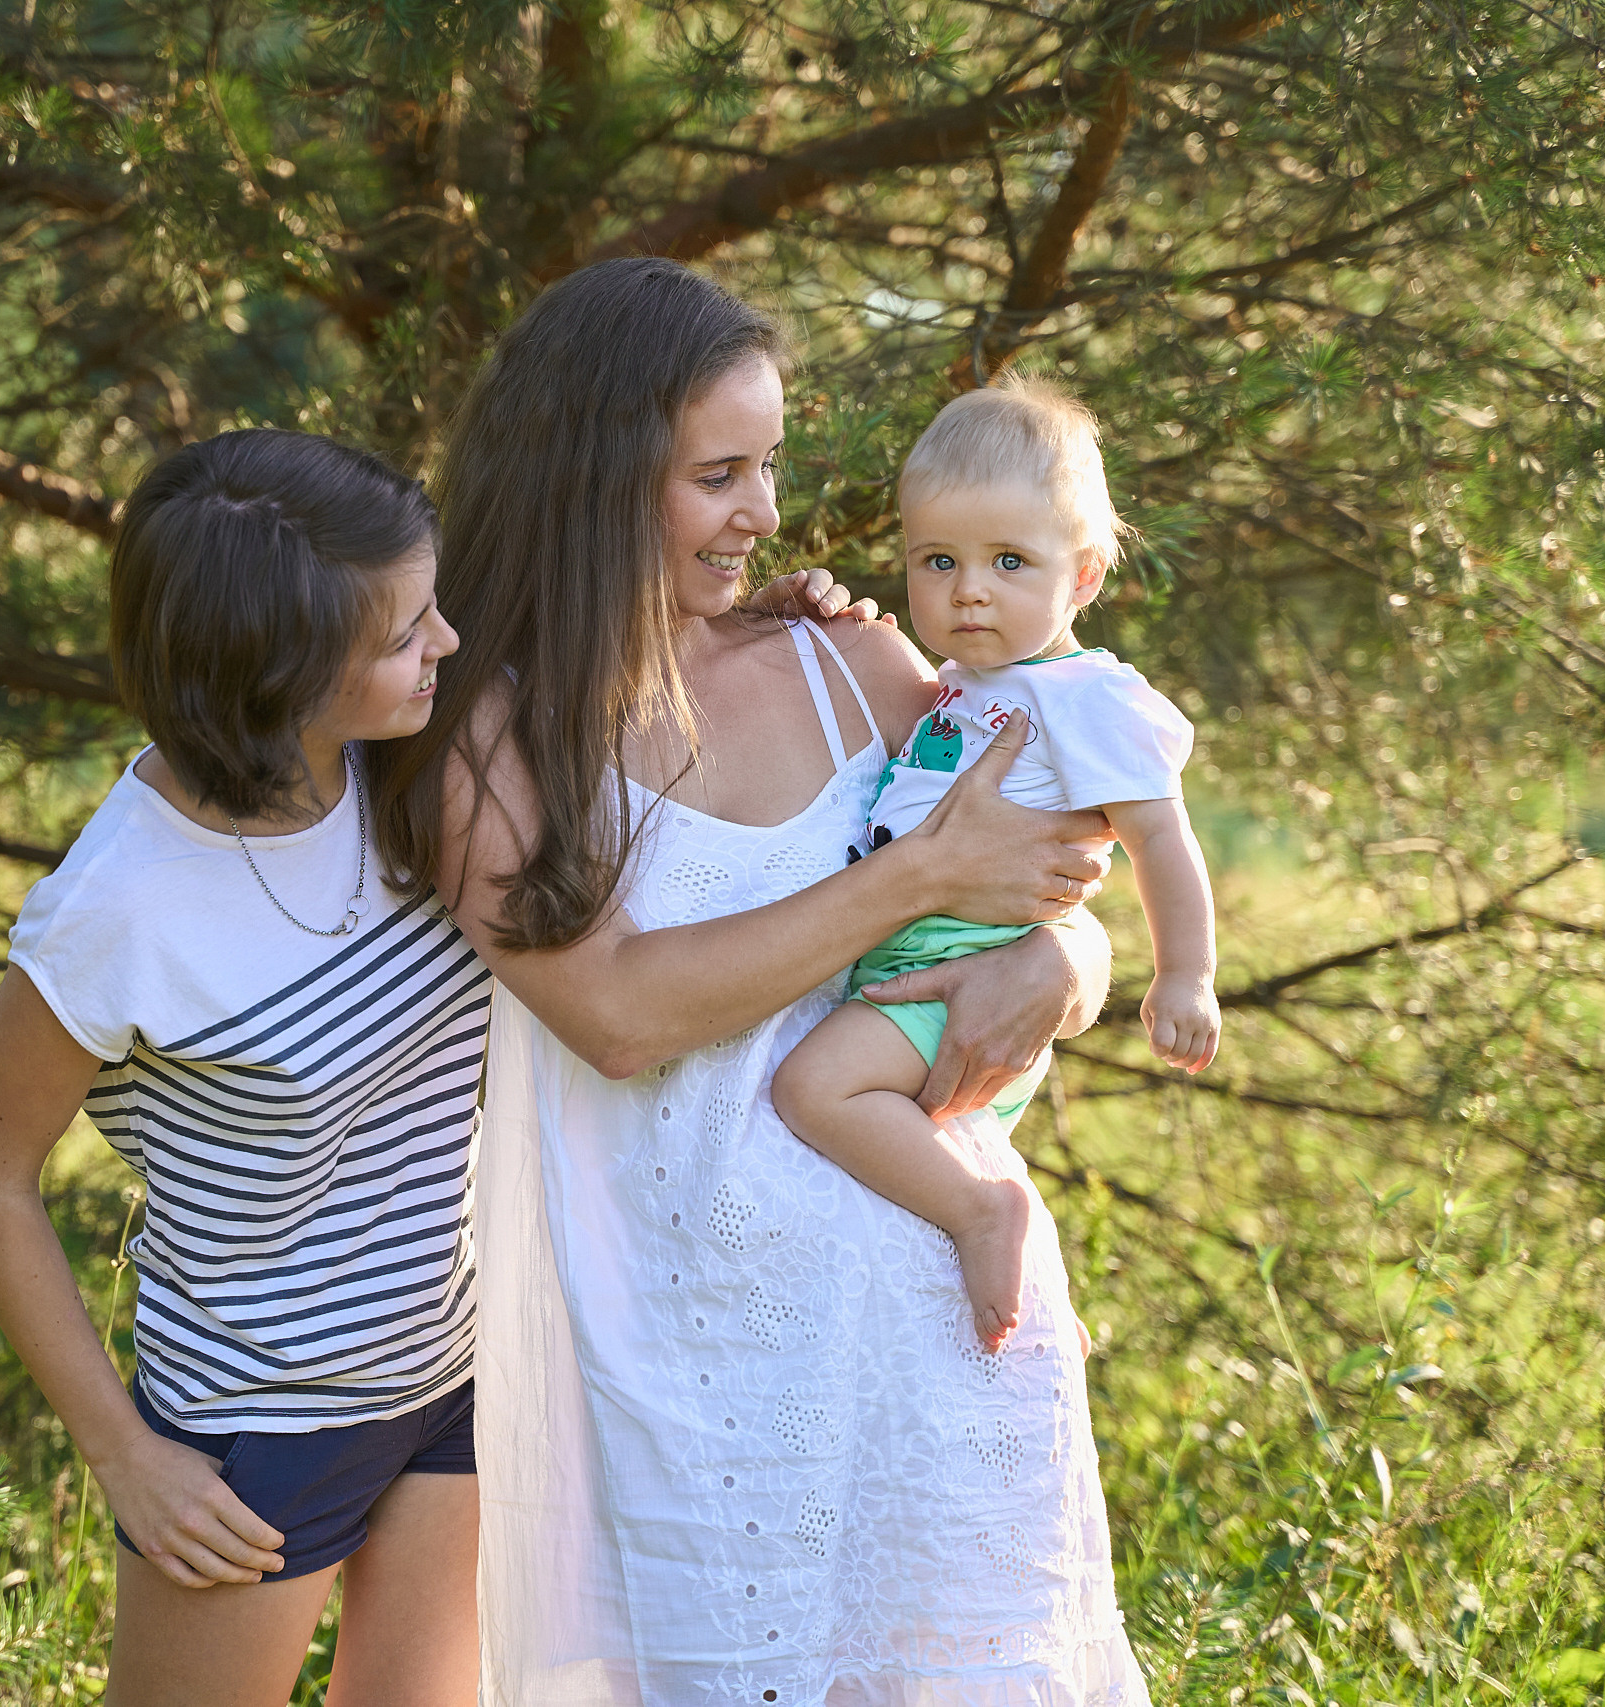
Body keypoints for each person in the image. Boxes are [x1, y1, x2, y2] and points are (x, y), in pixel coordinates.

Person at [0, 426, 875, 1707]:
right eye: (403, 635)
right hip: (251, 1428)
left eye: (433, 608)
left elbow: (614, 660)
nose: (445, 643)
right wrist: (122, 1455)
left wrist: (755, 617)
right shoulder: (120, 908)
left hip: (457, 1378)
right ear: (273, 674)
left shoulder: (415, 766)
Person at [372, 257, 1151, 1705]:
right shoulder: (495, 736)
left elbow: (1045, 857)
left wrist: (1071, 958)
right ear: (595, 475)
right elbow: (615, 1013)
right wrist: (912, 880)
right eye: (719, 472)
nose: (768, 513)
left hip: (938, 1319)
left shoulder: (851, 656)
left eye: (769, 464)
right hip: (695, 1379)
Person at [771, 378, 1221, 1354]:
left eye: (1009, 561)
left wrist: (1185, 976)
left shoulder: (1086, 699)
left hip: (969, 962)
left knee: (814, 1092)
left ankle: (986, 1214)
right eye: (939, 560)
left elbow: (1161, 836)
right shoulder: (962, 687)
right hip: (910, 961)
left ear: (1085, 575)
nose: (967, 588)